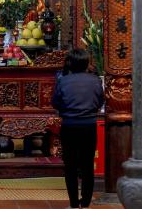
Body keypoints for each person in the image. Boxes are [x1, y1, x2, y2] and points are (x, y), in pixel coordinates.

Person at [52, 49, 104, 209]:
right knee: (87, 166)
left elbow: (55, 103)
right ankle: (86, 203)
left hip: (69, 126)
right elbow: (100, 101)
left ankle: (74, 204)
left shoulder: (63, 81)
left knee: (71, 166)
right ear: (86, 63)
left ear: (69, 63)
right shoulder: (95, 80)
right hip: (89, 126)